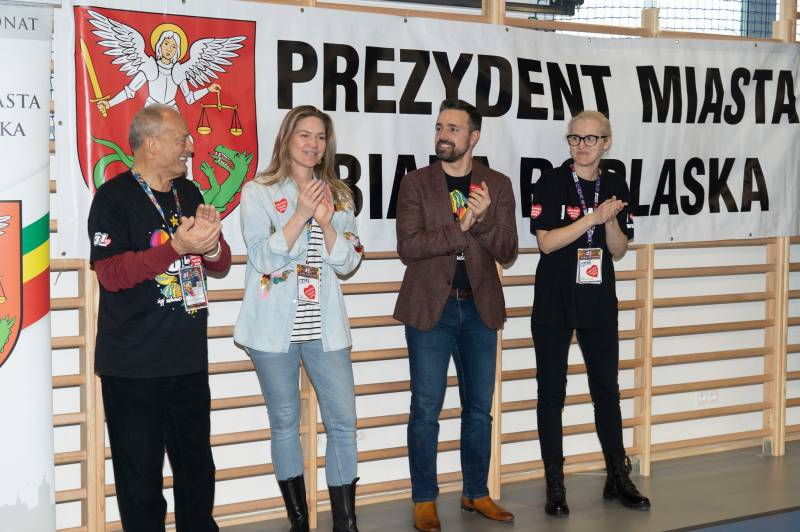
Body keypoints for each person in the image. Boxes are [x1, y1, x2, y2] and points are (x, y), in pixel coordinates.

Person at [88, 103, 231, 531]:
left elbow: (220, 263)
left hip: (187, 360)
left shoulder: (189, 192)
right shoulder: (113, 198)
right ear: (150, 144)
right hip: (133, 367)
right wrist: (176, 248)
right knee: (141, 484)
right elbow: (111, 274)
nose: (190, 145)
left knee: (197, 473)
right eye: (181, 138)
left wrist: (210, 244)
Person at [234, 106, 363, 532]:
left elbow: (349, 261)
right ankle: (299, 522)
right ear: (287, 138)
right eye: (304, 135)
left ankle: (346, 522)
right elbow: (263, 258)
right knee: (286, 423)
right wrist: (300, 215)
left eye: (320, 137)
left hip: (325, 328)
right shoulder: (259, 191)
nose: (313, 144)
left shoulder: (339, 195)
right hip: (273, 330)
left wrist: (326, 223)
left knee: (343, 423)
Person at [394, 99, 518, 532]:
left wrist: (480, 222)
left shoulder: (497, 185)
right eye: (439, 127)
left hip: (480, 308)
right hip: (432, 309)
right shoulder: (415, 183)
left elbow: (508, 250)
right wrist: (461, 226)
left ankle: (475, 492)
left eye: (453, 128)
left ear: (473, 136)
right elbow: (409, 247)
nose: (443, 135)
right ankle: (424, 498)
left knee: (479, 410)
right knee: (426, 409)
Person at [529, 110, 650, 517]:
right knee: (551, 393)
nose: (581, 146)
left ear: (606, 142)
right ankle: (555, 482)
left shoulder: (615, 184)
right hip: (554, 299)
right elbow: (547, 243)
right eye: (575, 138)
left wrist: (610, 222)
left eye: (590, 139)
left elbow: (617, 249)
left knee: (606, 391)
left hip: (597, 298)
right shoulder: (551, 182)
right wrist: (593, 217)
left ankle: (617, 476)